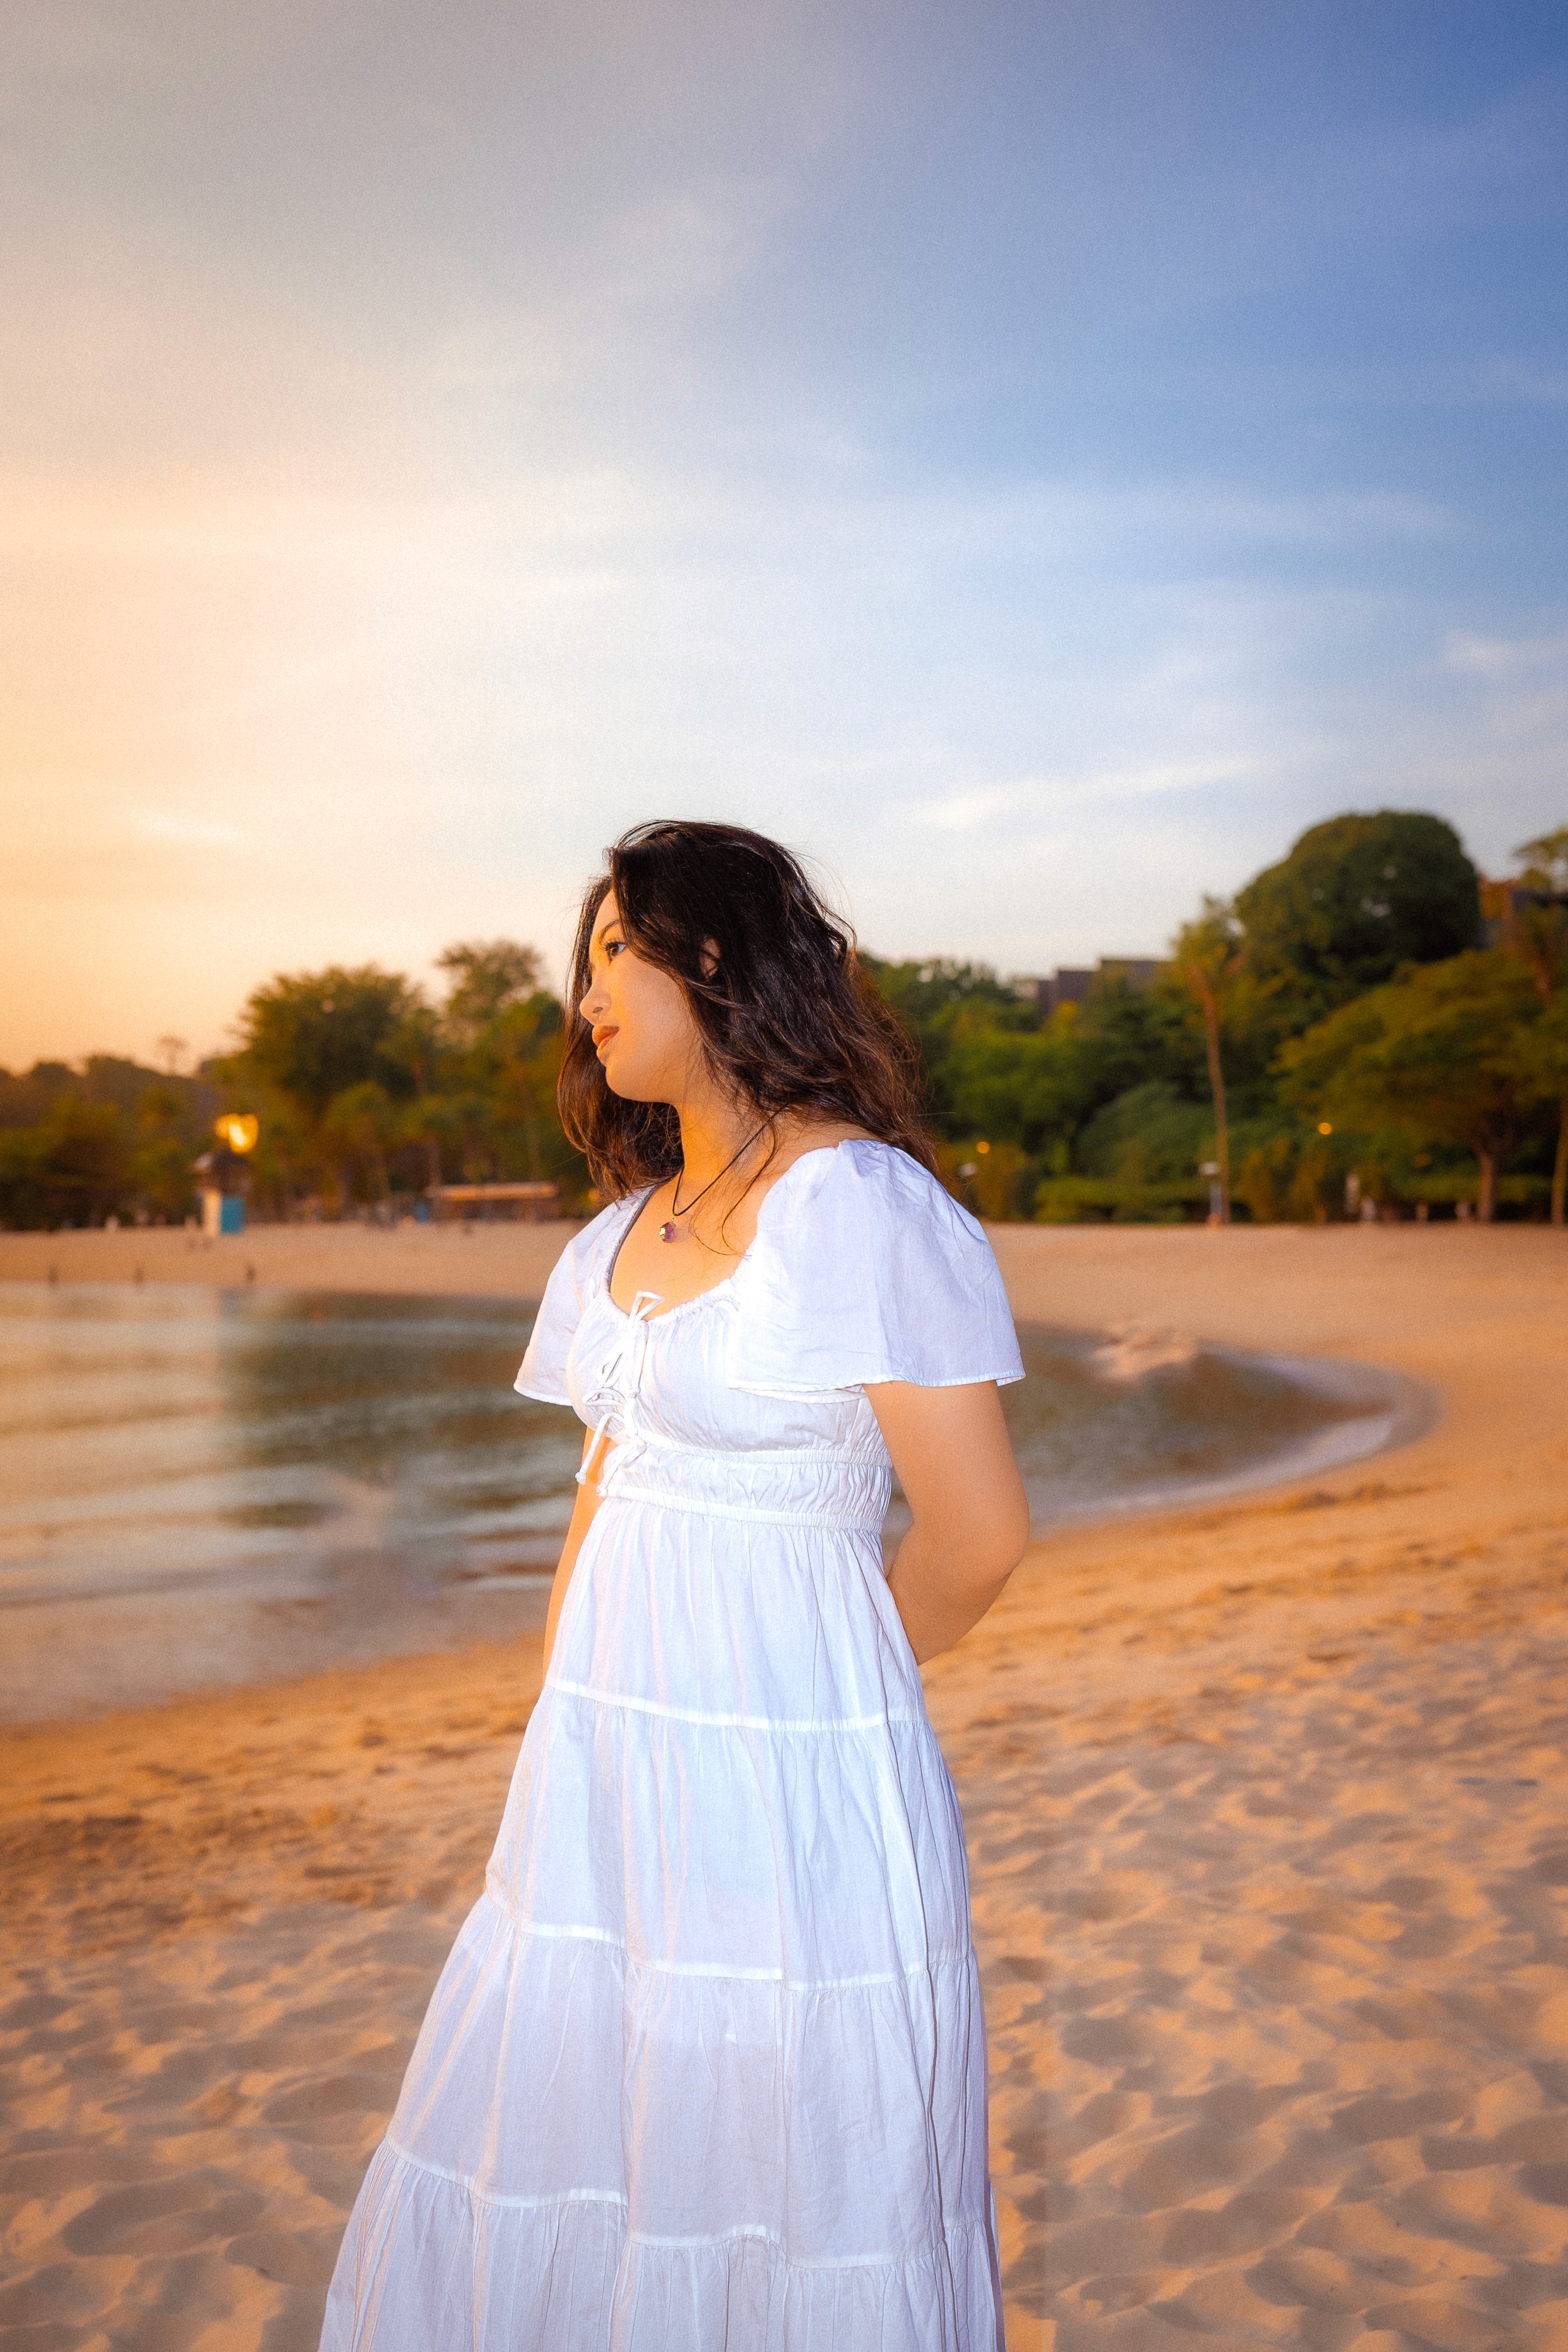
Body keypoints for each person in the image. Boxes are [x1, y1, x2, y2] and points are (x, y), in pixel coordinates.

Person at [320, 820, 1030, 2350]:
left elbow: (976, 1535)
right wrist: (569, 1722)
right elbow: (606, 1487)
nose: (583, 994)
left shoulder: (860, 1209)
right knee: (577, 2134)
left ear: (713, 957)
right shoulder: (611, 1242)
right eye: (582, 964)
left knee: (784, 2173)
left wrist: (813, 1714)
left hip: (796, 1780)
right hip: (604, 1775)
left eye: (611, 952)